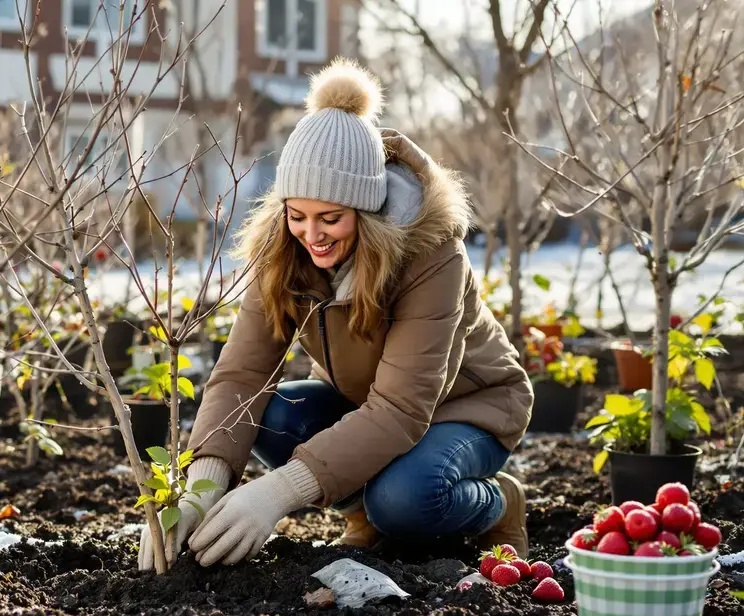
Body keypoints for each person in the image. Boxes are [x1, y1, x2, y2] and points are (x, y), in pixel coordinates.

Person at [138, 58, 534, 570]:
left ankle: (500, 503)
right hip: (370, 403)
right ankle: (363, 517)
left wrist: (278, 493)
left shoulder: (431, 256)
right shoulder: (284, 252)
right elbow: (243, 374)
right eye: (296, 215)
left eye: (331, 218)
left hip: (467, 407)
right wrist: (201, 486)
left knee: (405, 500)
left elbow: (401, 408)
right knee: (273, 415)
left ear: (367, 212)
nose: (312, 235)